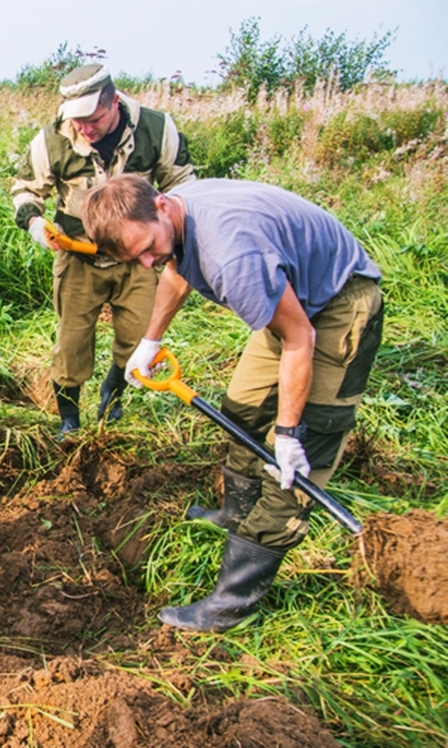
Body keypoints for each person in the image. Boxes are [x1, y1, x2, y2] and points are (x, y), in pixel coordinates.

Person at [83, 174, 384, 633]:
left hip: (337, 306)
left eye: (147, 247)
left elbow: (300, 336)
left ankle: (231, 603)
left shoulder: (232, 257)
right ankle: (236, 513)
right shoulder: (175, 218)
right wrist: (150, 340)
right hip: (291, 296)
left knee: (301, 457)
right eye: (134, 258)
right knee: (241, 408)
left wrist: (286, 434)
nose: (147, 262)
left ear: (162, 206)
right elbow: (174, 268)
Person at [11, 64, 195, 435]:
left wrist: (171, 240)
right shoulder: (52, 140)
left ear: (114, 102)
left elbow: (184, 186)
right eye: (77, 122)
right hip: (78, 255)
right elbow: (25, 190)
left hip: (141, 258)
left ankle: (113, 393)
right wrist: (35, 223)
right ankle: (70, 418)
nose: (85, 129)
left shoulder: (157, 129)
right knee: (72, 343)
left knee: (138, 335)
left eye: (94, 120)